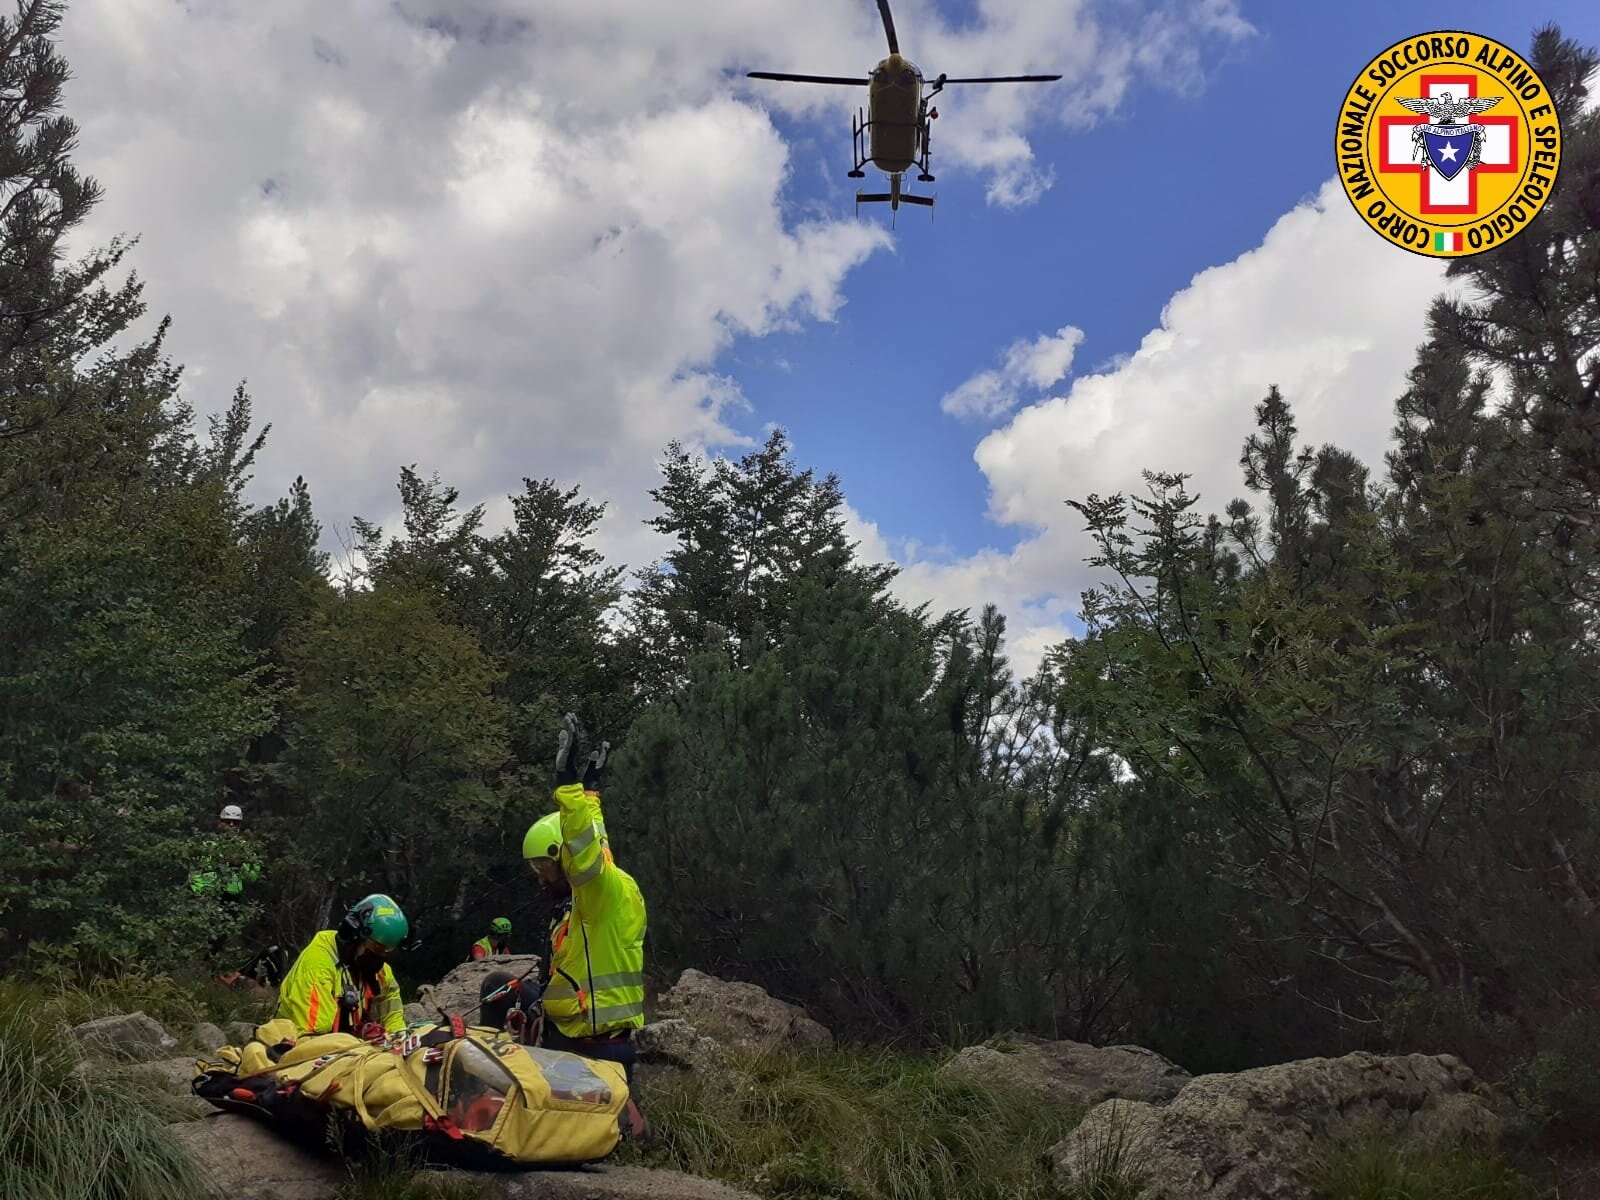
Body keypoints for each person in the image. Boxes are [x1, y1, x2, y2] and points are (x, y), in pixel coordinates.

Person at [522, 714, 646, 1086]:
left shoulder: (596, 890)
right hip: (593, 1032)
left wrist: (568, 787)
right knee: (506, 985)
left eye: (544, 865)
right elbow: (597, 841)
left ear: (565, 858)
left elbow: (583, 845)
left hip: (588, 1044)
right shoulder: (609, 884)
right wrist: (591, 792)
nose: (541, 877)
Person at [275, 894, 409, 1040]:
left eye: (386, 951)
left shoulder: (375, 970)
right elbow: (313, 1035)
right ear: (354, 934)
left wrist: (397, 1035)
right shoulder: (318, 967)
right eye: (376, 948)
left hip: (341, 1046)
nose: (379, 957)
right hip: (294, 1046)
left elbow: (390, 1001)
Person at [188, 804, 263, 899]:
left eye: (235, 822)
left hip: (233, 898)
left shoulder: (246, 849)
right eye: (227, 821)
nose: (231, 825)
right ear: (219, 823)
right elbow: (195, 874)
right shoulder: (207, 846)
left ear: (239, 825)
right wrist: (202, 894)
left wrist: (239, 865)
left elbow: (252, 878)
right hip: (208, 897)